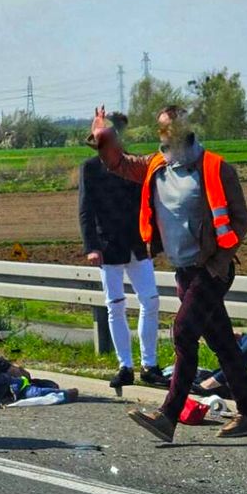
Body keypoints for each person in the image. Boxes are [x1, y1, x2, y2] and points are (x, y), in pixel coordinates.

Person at [88, 104, 247, 442]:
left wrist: (218, 261)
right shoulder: (157, 165)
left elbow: (241, 220)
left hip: (211, 269)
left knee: (182, 333)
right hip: (183, 271)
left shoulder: (216, 168)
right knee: (222, 343)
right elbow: (116, 162)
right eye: (162, 127)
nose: (165, 133)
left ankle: (168, 417)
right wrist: (102, 135)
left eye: (172, 126)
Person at [78, 112, 166, 389]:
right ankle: (124, 365)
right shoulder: (90, 168)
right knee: (115, 306)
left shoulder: (134, 165)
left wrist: (155, 239)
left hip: (138, 243)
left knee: (150, 301)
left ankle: (149, 364)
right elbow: (85, 210)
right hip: (108, 246)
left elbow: (150, 203)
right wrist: (91, 247)